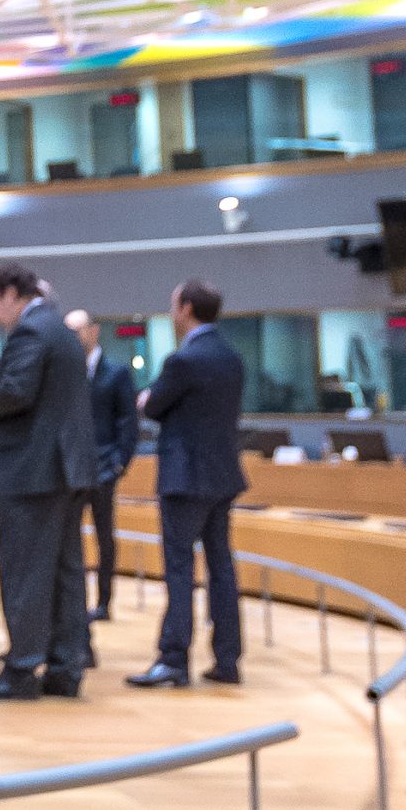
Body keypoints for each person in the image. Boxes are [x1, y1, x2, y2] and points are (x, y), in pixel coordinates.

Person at [0, 265, 96, 701]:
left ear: (12, 294)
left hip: (33, 473)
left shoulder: (31, 332)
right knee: (64, 574)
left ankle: (21, 670)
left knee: (25, 575)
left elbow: (16, 392)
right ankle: (64, 667)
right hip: (64, 470)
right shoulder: (57, 328)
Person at [133, 277, 251, 689]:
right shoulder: (231, 357)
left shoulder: (183, 361)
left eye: (173, 304)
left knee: (180, 569)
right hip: (222, 476)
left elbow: (155, 405)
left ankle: (173, 660)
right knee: (222, 568)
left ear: (185, 308)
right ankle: (228, 659)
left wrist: (146, 400)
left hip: (185, 478)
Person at [67, 309, 140, 620]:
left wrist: (121, 461)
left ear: (94, 331)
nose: (74, 338)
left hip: (104, 466)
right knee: (70, 537)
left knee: (104, 536)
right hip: (71, 467)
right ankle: (75, 602)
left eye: (78, 331)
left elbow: (128, 421)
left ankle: (104, 601)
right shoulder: (66, 374)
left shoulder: (116, 373)